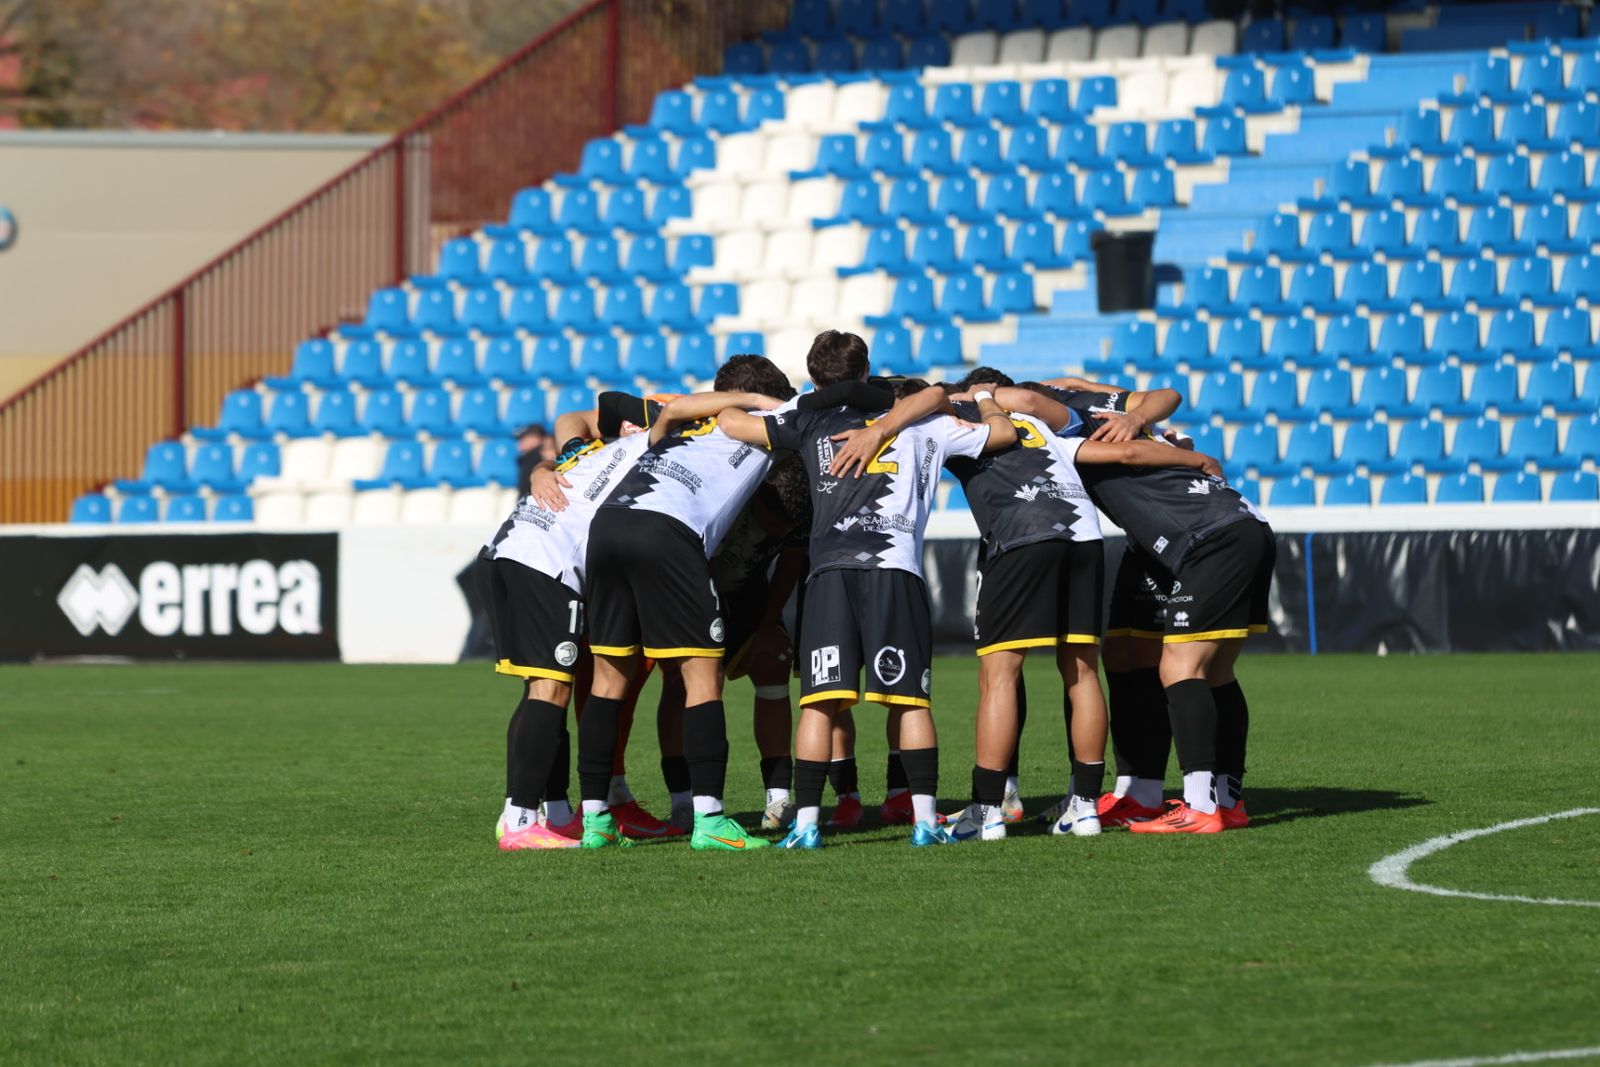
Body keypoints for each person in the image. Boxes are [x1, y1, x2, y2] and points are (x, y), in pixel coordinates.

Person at [716, 331, 1017, 849]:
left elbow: (728, 422)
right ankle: (925, 823)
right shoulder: (923, 421)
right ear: (867, 369)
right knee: (911, 703)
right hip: (895, 570)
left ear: (814, 379)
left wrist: (799, 401)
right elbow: (1002, 435)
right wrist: (981, 400)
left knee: (819, 703)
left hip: (830, 572)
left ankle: (807, 827)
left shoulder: (807, 418)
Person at [578, 355, 795, 852]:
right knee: (702, 677)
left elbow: (627, 404)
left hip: (609, 523)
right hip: (667, 531)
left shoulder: (685, 414)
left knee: (609, 680)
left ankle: (596, 822)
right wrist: (763, 405)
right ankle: (711, 821)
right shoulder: (762, 423)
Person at [1069, 413, 1275, 835]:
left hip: (1211, 539)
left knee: (1180, 667)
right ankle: (1225, 801)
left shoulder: (1079, 441)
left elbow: (1139, 438)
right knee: (1212, 672)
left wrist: (1186, 453)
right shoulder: (1147, 442)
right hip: (1240, 528)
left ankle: (1200, 806)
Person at [481, 393, 671, 851]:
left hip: (503, 551)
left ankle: (556, 814)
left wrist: (544, 466)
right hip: (545, 563)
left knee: (542, 688)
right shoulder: (644, 452)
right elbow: (583, 417)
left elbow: (574, 418)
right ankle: (520, 821)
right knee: (551, 689)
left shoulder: (589, 454)